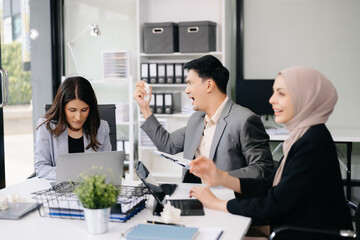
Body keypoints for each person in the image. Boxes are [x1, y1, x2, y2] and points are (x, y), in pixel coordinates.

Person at [189, 66, 352, 239]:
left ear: (306, 98)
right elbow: (271, 184)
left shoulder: (313, 143)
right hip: (295, 225)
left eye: (281, 93)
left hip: (308, 232)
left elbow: (273, 205)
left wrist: (217, 203)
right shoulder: (303, 136)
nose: (271, 100)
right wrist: (222, 178)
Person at [134, 55, 273, 183]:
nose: (187, 90)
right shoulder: (197, 119)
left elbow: (263, 169)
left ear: (209, 85)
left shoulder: (245, 120)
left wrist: (220, 176)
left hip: (227, 200)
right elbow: (167, 145)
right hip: (195, 198)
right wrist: (145, 108)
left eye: (190, 83)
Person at [34, 76, 111, 180]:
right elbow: (41, 168)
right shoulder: (46, 126)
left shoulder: (101, 128)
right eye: (72, 110)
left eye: (84, 110)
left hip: (91, 192)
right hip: (59, 191)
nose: (78, 117)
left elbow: (108, 168)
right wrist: (73, 175)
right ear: (62, 108)